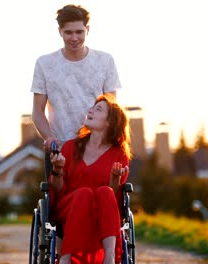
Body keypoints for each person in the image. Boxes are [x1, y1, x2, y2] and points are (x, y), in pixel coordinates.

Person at [31, 4, 122, 177]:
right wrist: (50, 138)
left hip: (98, 146)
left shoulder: (105, 61)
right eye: (68, 32)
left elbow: (112, 109)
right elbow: (37, 112)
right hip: (61, 148)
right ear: (60, 31)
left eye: (79, 32)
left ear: (87, 29)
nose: (74, 38)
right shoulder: (44, 64)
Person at [49, 94, 131, 264]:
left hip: (102, 213)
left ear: (109, 122)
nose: (90, 111)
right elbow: (57, 189)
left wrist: (114, 180)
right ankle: (66, 259)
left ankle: (109, 259)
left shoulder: (119, 155)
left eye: (98, 109)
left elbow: (114, 196)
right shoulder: (71, 147)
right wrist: (57, 170)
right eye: (93, 107)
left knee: (106, 191)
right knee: (84, 193)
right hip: (70, 207)